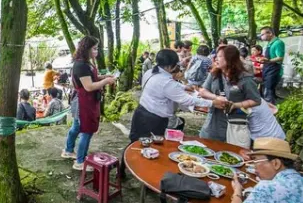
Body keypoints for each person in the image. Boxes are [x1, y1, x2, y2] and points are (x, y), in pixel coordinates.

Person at [129, 50, 220, 142]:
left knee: (137, 143)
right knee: (150, 146)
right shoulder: (167, 82)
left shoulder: (150, 72)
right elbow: (187, 100)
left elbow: (163, 87)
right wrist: (212, 103)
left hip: (140, 113)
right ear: (170, 66)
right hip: (153, 120)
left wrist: (184, 87)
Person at [61, 36, 116, 171]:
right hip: (82, 102)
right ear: (87, 49)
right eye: (95, 48)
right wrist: (106, 82)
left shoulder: (86, 63)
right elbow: (89, 86)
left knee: (76, 127)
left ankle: (68, 150)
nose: (97, 51)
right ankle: (80, 161)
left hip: (83, 100)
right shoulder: (81, 65)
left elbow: (91, 79)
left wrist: (104, 77)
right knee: (87, 130)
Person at [198, 45, 262, 143]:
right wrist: (216, 97)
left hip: (235, 123)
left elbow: (256, 100)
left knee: (231, 152)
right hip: (214, 121)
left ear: (230, 58)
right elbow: (202, 91)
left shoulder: (245, 78)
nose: (215, 59)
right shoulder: (215, 74)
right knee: (207, 146)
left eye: (219, 56)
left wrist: (235, 105)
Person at [260, 27, 285, 104]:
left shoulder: (278, 43)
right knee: (268, 91)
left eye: (262, 34)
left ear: (270, 33)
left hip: (274, 71)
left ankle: (270, 111)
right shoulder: (269, 44)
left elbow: (280, 58)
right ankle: (271, 108)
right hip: (267, 69)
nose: (261, 36)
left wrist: (268, 61)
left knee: (269, 91)